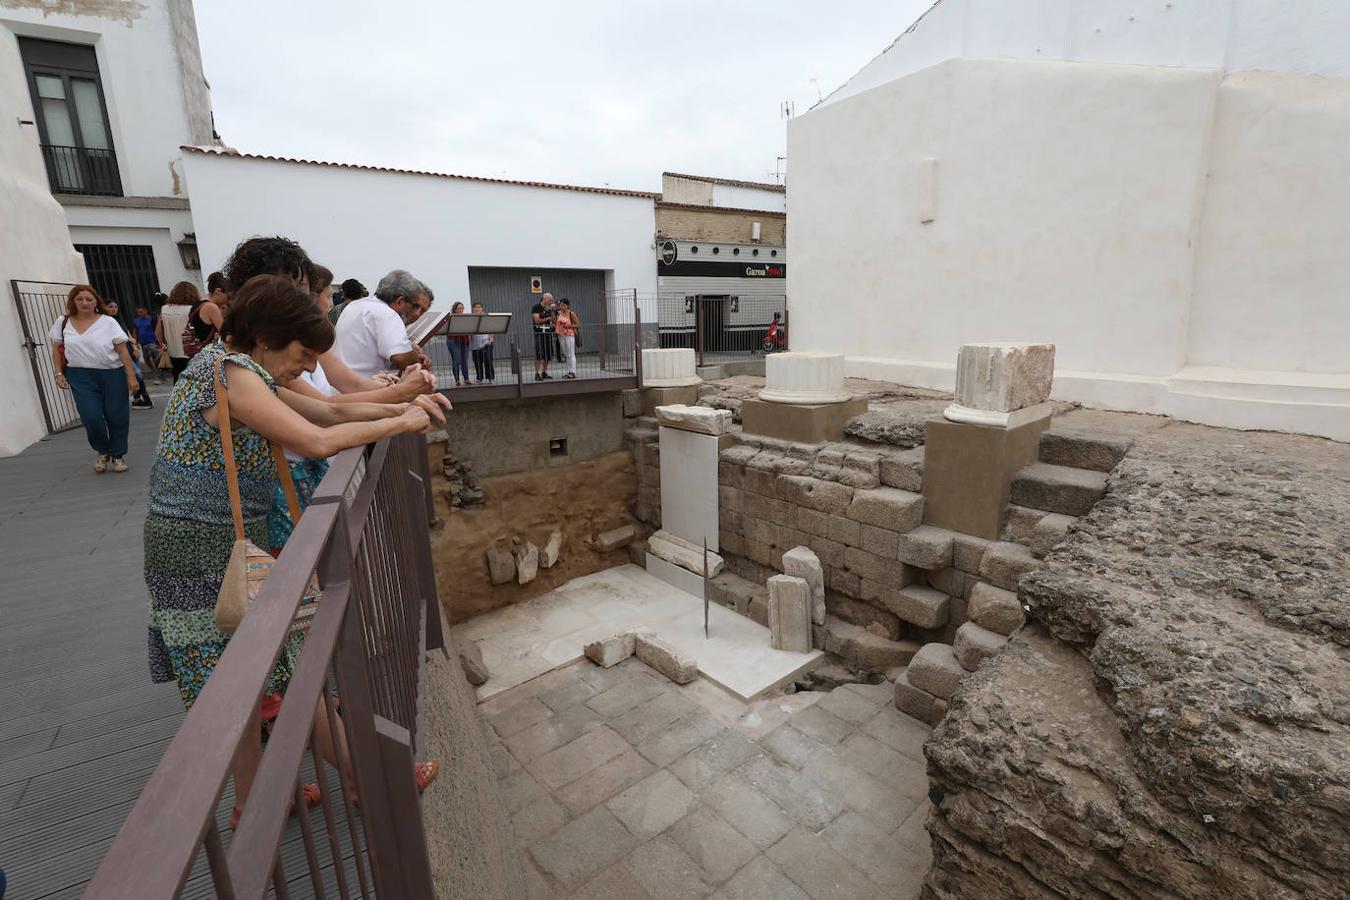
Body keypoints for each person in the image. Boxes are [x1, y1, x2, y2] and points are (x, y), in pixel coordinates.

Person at [144, 274, 437, 825]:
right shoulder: (227, 373)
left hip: (221, 545)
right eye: (303, 354)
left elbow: (326, 413)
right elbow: (316, 440)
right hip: (198, 554)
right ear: (267, 336)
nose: (308, 368)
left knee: (258, 673)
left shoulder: (238, 368)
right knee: (245, 678)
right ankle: (298, 791)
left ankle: (257, 798)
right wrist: (403, 419)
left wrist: (403, 403)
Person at [267, 264, 451, 551]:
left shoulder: (356, 308)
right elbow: (327, 418)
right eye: (328, 294)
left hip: (314, 459)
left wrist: (403, 402)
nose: (331, 302)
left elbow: (338, 398)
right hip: (298, 471)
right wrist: (402, 407)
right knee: (320, 551)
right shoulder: (252, 370)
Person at [49, 284, 138, 472]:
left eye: (89, 299)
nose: (85, 302)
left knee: (117, 415)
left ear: (96, 301)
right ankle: (103, 451)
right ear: (73, 301)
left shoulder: (108, 322)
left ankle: (118, 455)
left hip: (111, 374)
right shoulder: (63, 322)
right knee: (91, 417)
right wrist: (58, 373)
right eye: (80, 299)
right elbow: (57, 350)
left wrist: (131, 376)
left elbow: (122, 351)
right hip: (79, 376)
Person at [334, 269, 432, 379]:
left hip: (339, 386)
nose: (417, 314)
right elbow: (402, 358)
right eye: (415, 306)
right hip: (362, 388)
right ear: (400, 301)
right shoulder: (388, 314)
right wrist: (419, 361)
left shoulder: (355, 306)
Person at [100, 297, 154, 408]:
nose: (114, 309)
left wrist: (134, 347)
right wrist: (129, 340)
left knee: (135, 374)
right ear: (104, 307)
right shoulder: (104, 322)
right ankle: (145, 398)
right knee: (137, 373)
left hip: (129, 350)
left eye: (115, 307)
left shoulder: (119, 319)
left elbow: (127, 332)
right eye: (110, 307)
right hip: (119, 352)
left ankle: (137, 399)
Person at [156, 282, 198, 381]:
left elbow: (158, 333)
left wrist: (164, 347)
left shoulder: (164, 309)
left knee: (178, 381)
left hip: (173, 353)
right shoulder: (192, 309)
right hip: (191, 353)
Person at [132, 305, 162, 383]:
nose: (139, 314)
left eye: (141, 312)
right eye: (138, 312)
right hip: (143, 343)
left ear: (146, 311)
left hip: (153, 342)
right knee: (147, 360)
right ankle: (158, 374)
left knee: (155, 359)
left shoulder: (152, 319)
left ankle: (158, 376)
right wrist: (135, 343)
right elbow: (135, 332)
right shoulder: (136, 321)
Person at [531, 292, 557, 380]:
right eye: (550, 299)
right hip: (539, 333)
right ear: (544, 299)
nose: (551, 301)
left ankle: (544, 372)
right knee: (539, 354)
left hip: (548, 332)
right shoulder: (536, 307)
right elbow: (537, 320)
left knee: (548, 354)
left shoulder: (549, 309)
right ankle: (536, 373)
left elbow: (554, 321)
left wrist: (552, 311)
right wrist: (547, 318)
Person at [445, 301, 471, 387]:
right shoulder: (451, 317)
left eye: (462, 308)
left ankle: (466, 379)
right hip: (453, 341)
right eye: (459, 308)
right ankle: (457, 380)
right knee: (456, 360)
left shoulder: (466, 318)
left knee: (464, 361)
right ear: (455, 309)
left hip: (464, 341)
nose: (461, 310)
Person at [469, 301, 495, 384]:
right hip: (475, 344)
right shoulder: (471, 318)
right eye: (475, 307)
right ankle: (479, 378)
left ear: (482, 308)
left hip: (486, 342)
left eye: (479, 307)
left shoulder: (486, 317)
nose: (477, 309)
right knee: (477, 362)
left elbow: (492, 329)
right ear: (473, 309)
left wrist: (490, 339)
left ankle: (490, 378)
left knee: (488, 361)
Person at [556, 297, 579, 379]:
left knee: (571, 354)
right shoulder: (559, 313)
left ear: (567, 305)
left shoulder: (571, 313)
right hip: (561, 335)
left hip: (569, 334)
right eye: (561, 305)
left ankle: (573, 372)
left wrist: (569, 326)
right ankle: (569, 371)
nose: (562, 307)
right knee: (566, 354)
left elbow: (577, 324)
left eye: (564, 305)